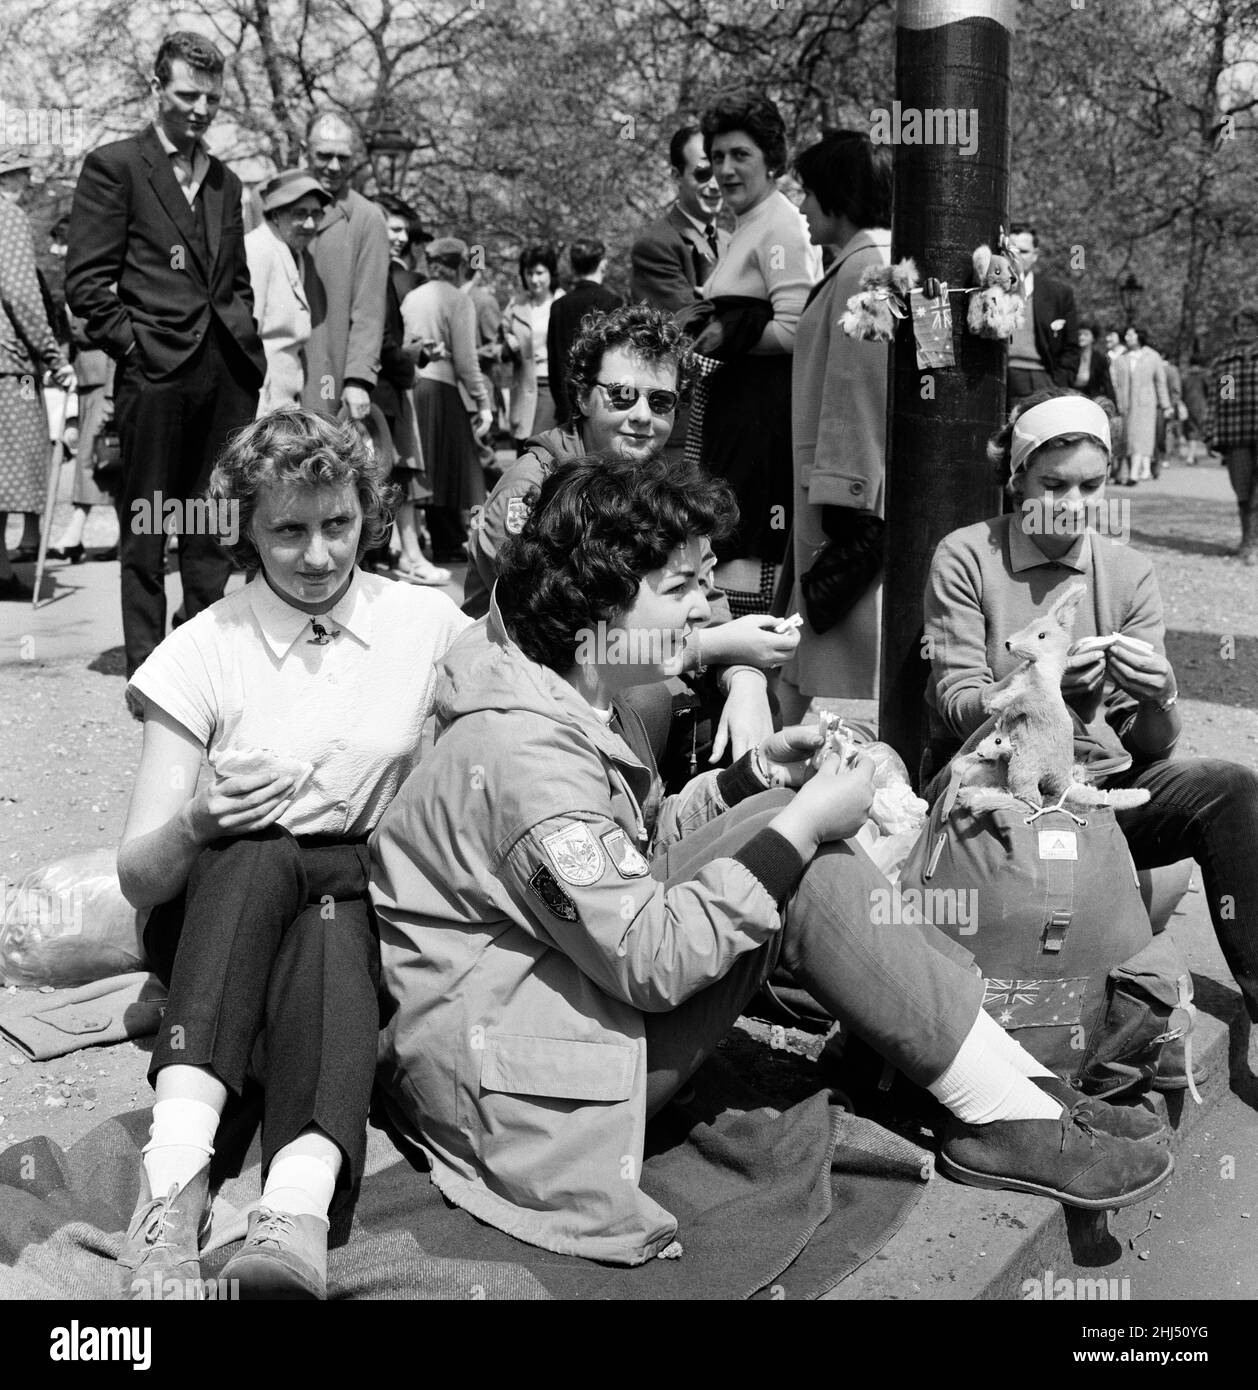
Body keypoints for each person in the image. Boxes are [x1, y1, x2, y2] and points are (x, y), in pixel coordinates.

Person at [371, 452, 1171, 1265]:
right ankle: (1002, 1111)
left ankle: (1016, 1091)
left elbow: (632, 853)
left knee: (782, 819)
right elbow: (650, 957)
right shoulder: (520, 754)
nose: (702, 613)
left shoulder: (568, 685)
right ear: (602, 597)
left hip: (544, 1014)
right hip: (522, 1097)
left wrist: (760, 778)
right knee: (804, 862)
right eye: (680, 587)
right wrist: (799, 827)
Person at [114, 407, 470, 1300]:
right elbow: (138, 877)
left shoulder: (424, 622)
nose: (318, 556)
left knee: (332, 904)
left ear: (368, 514)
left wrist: (724, 662)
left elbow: (537, 695)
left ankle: (293, 1209)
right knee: (259, 854)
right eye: (289, 530)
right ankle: (176, 1182)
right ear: (245, 527)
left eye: (338, 525)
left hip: (348, 907)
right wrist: (198, 820)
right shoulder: (202, 649)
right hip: (216, 915)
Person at [924, 388, 1258, 1043]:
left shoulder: (1127, 571)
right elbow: (957, 706)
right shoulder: (965, 556)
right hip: (997, 785)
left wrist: (1160, 695)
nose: (1073, 506)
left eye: (1092, 486)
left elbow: (1151, 745)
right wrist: (1046, 692)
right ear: (1015, 477)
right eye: (1053, 484)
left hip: (1099, 791)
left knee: (1231, 786)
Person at [464, 302, 794, 768]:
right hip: (539, 701)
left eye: (660, 401)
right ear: (582, 397)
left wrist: (746, 679)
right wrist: (715, 648)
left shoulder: (657, 487)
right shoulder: (533, 490)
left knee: (755, 720)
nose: (642, 415)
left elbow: (704, 600)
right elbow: (560, 641)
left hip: (647, 674)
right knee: (646, 699)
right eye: (621, 395)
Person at [65, 32, 266, 673]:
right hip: (153, 369)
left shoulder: (227, 181)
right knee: (149, 519)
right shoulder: (115, 166)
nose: (201, 108)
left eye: (211, 97)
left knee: (213, 518)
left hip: (226, 369)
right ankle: (148, 660)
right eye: (187, 94)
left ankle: (200, 648)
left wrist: (244, 345)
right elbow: (87, 284)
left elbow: (233, 281)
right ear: (158, 89)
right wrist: (134, 347)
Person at [778, 131, 892, 720]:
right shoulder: (866, 265)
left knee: (829, 659)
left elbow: (859, 390)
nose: (800, 207)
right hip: (837, 487)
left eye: (810, 194)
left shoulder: (865, 271)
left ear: (838, 197)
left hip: (842, 499)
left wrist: (847, 499)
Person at [695, 90, 819, 617]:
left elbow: (796, 331)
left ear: (772, 160)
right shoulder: (747, 223)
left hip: (761, 427)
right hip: (733, 418)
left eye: (739, 156)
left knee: (746, 556)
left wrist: (730, 337)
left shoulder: (781, 225)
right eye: (717, 157)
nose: (725, 169)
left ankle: (753, 681)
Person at [0, 150, 74, 597]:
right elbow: (19, 291)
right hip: (7, 364)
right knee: (13, 466)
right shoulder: (8, 216)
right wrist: (51, 354)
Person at [400, 237, 493, 564]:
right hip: (443, 386)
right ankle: (451, 540)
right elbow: (467, 359)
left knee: (425, 467)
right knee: (458, 467)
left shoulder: (412, 297)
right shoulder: (458, 300)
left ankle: (430, 539)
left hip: (412, 385)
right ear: (459, 265)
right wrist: (482, 400)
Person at [300, 112, 389, 423]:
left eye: (343, 157)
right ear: (304, 152)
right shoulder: (265, 203)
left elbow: (370, 308)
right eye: (324, 155)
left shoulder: (368, 218)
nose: (334, 167)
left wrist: (358, 379)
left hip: (330, 369)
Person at [245, 170, 329, 414]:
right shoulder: (258, 249)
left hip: (286, 400)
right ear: (276, 214)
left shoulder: (295, 253)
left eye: (316, 214)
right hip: (263, 401)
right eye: (300, 214)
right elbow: (249, 334)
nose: (310, 224)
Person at [47, 306, 119, 564]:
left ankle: (74, 534)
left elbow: (115, 342)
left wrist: (111, 397)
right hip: (86, 380)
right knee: (101, 463)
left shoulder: (106, 286)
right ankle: (121, 538)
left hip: (104, 383)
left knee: (94, 458)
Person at [630, 124, 726, 314]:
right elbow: (688, 326)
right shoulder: (655, 246)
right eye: (703, 173)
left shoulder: (732, 242)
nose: (715, 185)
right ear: (676, 176)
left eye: (720, 171)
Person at [546, 238, 622, 423]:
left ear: (572, 267)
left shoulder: (559, 306)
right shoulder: (613, 303)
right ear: (603, 264)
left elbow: (554, 361)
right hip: (603, 404)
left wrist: (562, 404)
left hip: (567, 404)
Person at [1005, 224, 1080, 409]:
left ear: (1035, 255)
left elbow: (1071, 347)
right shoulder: (990, 289)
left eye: (1023, 251)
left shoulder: (1059, 294)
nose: (1016, 257)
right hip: (998, 377)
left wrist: (1058, 384)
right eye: (1011, 250)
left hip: (1041, 379)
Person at [1204, 309, 1258, 564]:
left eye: (1250, 325)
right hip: (1236, 434)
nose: (1245, 330)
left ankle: (1252, 544)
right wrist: (1210, 432)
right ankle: (1247, 538)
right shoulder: (1226, 362)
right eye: (1241, 326)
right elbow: (1221, 400)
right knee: (1243, 490)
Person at [502, 242, 562, 448]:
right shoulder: (515, 304)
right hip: (523, 385)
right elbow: (498, 345)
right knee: (523, 447)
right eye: (529, 273)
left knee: (542, 447)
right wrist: (507, 345)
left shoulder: (561, 302)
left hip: (550, 384)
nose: (534, 279)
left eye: (539, 272)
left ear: (550, 273)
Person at [1112, 325, 1171, 485]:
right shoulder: (1122, 358)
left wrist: (1166, 405)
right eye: (1126, 334)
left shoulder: (1152, 356)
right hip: (1125, 404)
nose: (1128, 337)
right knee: (1126, 438)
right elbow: (1116, 383)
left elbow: (1160, 382)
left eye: (1131, 334)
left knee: (1140, 437)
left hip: (1145, 404)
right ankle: (1126, 472)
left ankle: (1133, 474)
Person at [1073, 322, 1116, 404]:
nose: (1081, 337)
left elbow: (1107, 383)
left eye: (1086, 335)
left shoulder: (1099, 359)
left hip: (1091, 400)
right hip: (1072, 398)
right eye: (1079, 334)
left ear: (1093, 338)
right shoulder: (1070, 356)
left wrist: (1112, 403)